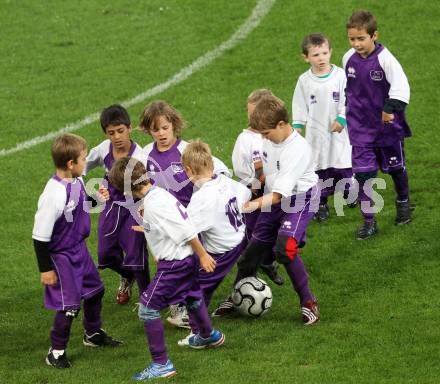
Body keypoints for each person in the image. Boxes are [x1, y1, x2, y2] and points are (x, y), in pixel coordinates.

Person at [108, 157, 225, 381]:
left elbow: (184, 229)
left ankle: (161, 364)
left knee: (147, 309)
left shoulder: (154, 204)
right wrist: (150, 233)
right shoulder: (158, 194)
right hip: (184, 259)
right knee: (191, 295)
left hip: (176, 264)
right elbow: (170, 225)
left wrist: (203, 254)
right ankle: (208, 334)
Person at [32, 133, 122, 369]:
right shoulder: (53, 194)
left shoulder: (77, 180)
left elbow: (79, 210)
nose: (86, 161)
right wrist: (46, 270)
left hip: (79, 250)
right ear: (71, 163)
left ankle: (92, 334)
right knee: (69, 306)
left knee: (95, 291)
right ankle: (56, 352)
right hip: (61, 256)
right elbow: (39, 236)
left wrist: (97, 200)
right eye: (83, 158)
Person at [139, 100, 230, 328]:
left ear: (174, 125)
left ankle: (186, 306)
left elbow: (219, 170)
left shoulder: (186, 150)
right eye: (155, 129)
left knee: (190, 262)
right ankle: (181, 308)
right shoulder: (145, 155)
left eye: (164, 128)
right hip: (163, 220)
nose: (160, 134)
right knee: (170, 261)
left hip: (190, 217)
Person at [236, 94, 320, 325]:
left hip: (300, 199)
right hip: (274, 198)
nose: (263, 138)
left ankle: (308, 302)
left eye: (266, 133)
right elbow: (267, 174)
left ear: (282, 125)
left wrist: (250, 204)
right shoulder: (271, 140)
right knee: (251, 253)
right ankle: (237, 295)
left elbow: (278, 195)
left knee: (286, 248)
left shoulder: (297, 150)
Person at [343, 10, 412, 239]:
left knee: (395, 169)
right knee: (364, 176)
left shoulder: (385, 59)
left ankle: (403, 201)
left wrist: (389, 109)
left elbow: (401, 88)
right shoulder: (347, 59)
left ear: (374, 35)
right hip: (360, 129)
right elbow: (349, 90)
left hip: (386, 129)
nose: (356, 43)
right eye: (352, 39)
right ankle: (369, 221)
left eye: (361, 38)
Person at [177, 140, 251, 344]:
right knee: (203, 287)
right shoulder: (227, 182)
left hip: (221, 252)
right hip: (238, 239)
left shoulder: (202, 198)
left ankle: (200, 333)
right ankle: (200, 323)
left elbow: (186, 231)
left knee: (193, 291)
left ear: (189, 170)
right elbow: (245, 195)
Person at [84, 104, 149, 305]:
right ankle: (127, 275)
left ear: (129, 128)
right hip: (111, 204)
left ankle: (147, 297)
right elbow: (80, 167)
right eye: (111, 133)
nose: (117, 137)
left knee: (136, 252)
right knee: (105, 255)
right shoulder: (103, 150)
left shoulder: (141, 155)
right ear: (106, 134)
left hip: (135, 206)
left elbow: (148, 185)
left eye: (120, 131)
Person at [292, 33, 354, 222]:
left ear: (330, 52)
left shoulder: (341, 75)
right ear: (306, 57)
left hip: (339, 133)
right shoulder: (304, 80)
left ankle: (348, 191)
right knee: (318, 168)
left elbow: (349, 99)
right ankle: (322, 203)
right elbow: (299, 104)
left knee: (342, 162)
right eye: (316, 55)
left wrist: (342, 119)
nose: (321, 58)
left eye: (324, 53)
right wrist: (298, 125)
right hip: (316, 135)